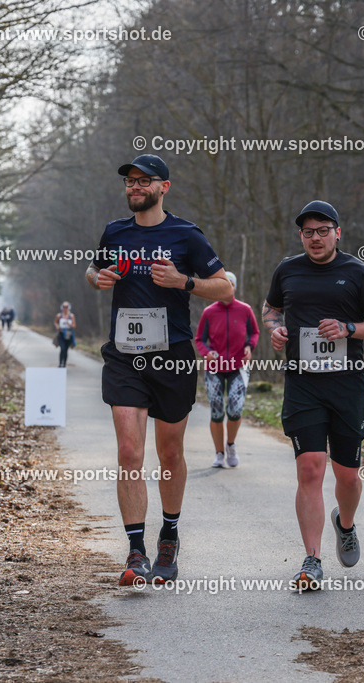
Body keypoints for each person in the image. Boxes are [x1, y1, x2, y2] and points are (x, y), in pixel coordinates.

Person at [85, 154, 233, 585]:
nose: (134, 187)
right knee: (130, 452)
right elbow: (94, 271)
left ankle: (169, 533)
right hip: (124, 355)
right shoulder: (115, 232)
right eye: (129, 181)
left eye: (143, 181)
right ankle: (135, 550)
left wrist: (184, 283)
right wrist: (97, 279)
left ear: (163, 187)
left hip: (172, 356)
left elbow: (225, 287)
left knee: (170, 453)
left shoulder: (186, 235)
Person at [261, 200, 364, 591]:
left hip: (347, 386)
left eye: (322, 231)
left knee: (347, 476)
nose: (315, 238)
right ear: (300, 236)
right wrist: (276, 330)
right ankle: (312, 559)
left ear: (338, 232)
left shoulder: (357, 272)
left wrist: (348, 328)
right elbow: (270, 309)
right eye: (308, 232)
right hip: (303, 384)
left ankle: (345, 524)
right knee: (311, 468)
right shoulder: (287, 269)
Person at [194, 271, 259, 468]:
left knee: (235, 409)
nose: (226, 287)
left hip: (238, 367)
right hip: (214, 368)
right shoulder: (209, 312)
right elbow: (199, 339)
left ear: (234, 287)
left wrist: (250, 346)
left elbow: (254, 333)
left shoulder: (245, 310)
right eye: (222, 284)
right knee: (216, 412)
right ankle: (219, 454)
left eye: (229, 284)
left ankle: (230, 445)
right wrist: (206, 353)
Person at [54, 302, 77, 367]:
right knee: (62, 348)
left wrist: (69, 324)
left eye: (66, 307)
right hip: (61, 334)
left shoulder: (71, 316)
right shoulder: (59, 315)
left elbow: (74, 326)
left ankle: (64, 364)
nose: (65, 308)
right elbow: (55, 323)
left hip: (68, 335)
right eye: (64, 307)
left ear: (69, 307)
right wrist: (57, 326)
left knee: (66, 350)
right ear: (62, 307)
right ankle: (60, 363)